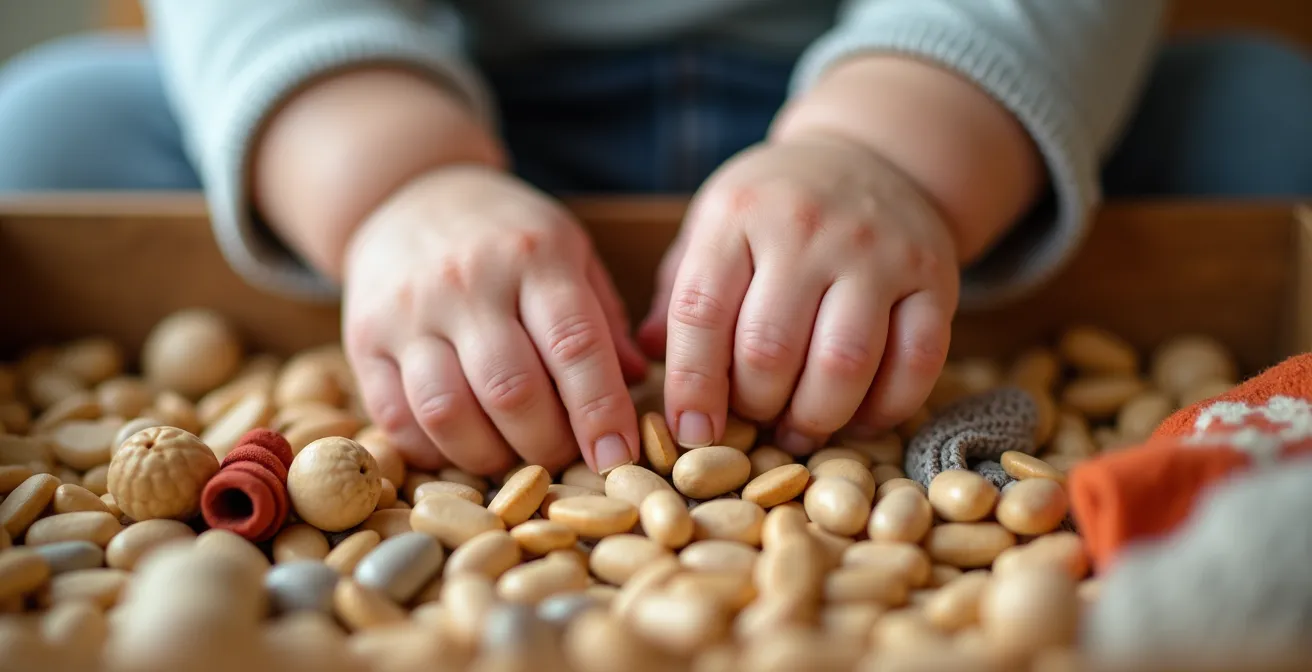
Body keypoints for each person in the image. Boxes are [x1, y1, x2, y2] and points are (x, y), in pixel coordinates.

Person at [0, 1, 1307, 478]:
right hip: (446, 105)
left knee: (1266, 117)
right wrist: (394, 181)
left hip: (933, 122)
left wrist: (893, 147)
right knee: (46, 135)